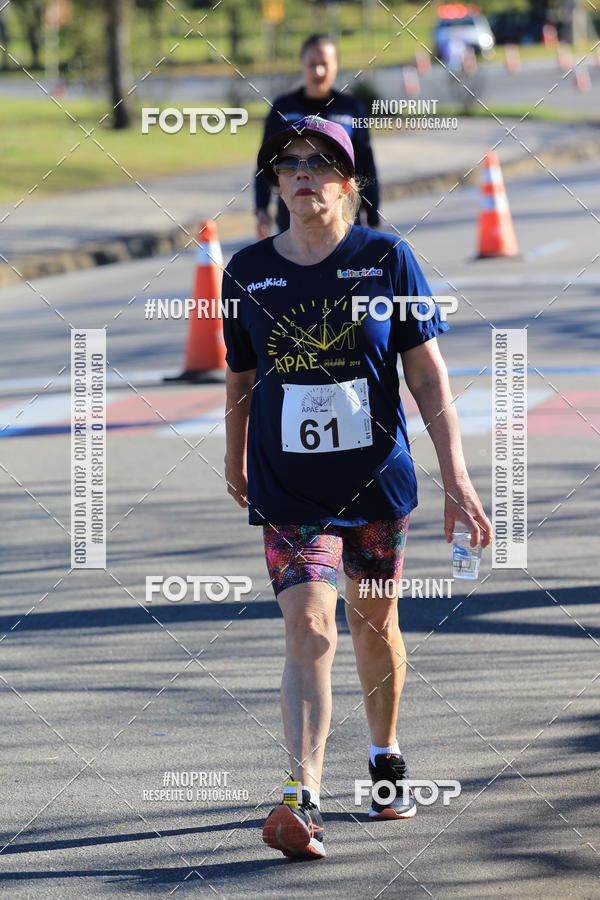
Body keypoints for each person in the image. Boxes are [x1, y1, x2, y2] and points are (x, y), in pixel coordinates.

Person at [223, 115, 491, 860]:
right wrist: (232, 456)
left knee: (374, 627)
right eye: (287, 165)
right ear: (277, 183)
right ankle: (302, 798)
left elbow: (427, 374)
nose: (300, 174)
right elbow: (239, 375)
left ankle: (384, 756)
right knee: (310, 628)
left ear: (348, 183)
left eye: (317, 162)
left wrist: (457, 477)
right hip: (289, 488)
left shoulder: (387, 259)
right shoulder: (246, 271)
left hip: (375, 483)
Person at [254, 33, 380, 240]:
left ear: (336, 66)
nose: (318, 71)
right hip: (293, 217)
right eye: (312, 64)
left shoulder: (351, 109)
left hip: (343, 217)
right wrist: (261, 209)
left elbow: (366, 164)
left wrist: (373, 217)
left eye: (324, 64)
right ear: (302, 65)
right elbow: (265, 163)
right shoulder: (283, 108)